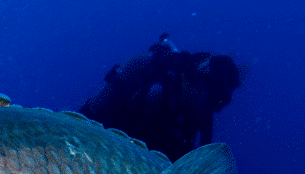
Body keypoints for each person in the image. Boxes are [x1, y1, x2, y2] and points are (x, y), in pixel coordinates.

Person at [79, 33, 241, 161]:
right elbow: (88, 113)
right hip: (102, 142)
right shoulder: (149, 70)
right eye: (214, 100)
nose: (211, 109)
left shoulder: (200, 115)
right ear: (200, 82)